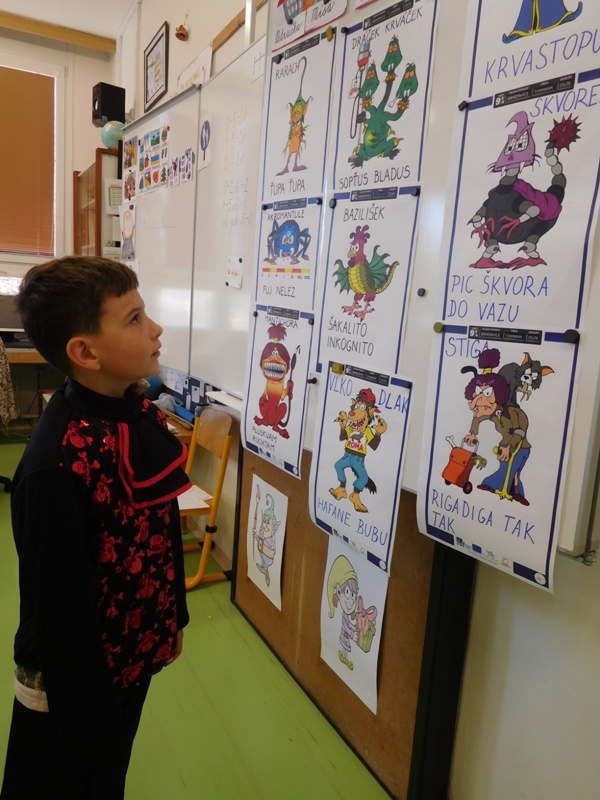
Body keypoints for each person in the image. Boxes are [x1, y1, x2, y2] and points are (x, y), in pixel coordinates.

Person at [0, 256, 192, 800]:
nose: (155, 329)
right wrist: (89, 717)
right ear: (86, 353)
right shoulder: (55, 463)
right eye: (134, 319)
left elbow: (161, 524)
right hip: (75, 687)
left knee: (110, 777)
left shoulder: (134, 411)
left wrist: (173, 615)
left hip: (132, 653)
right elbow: (58, 611)